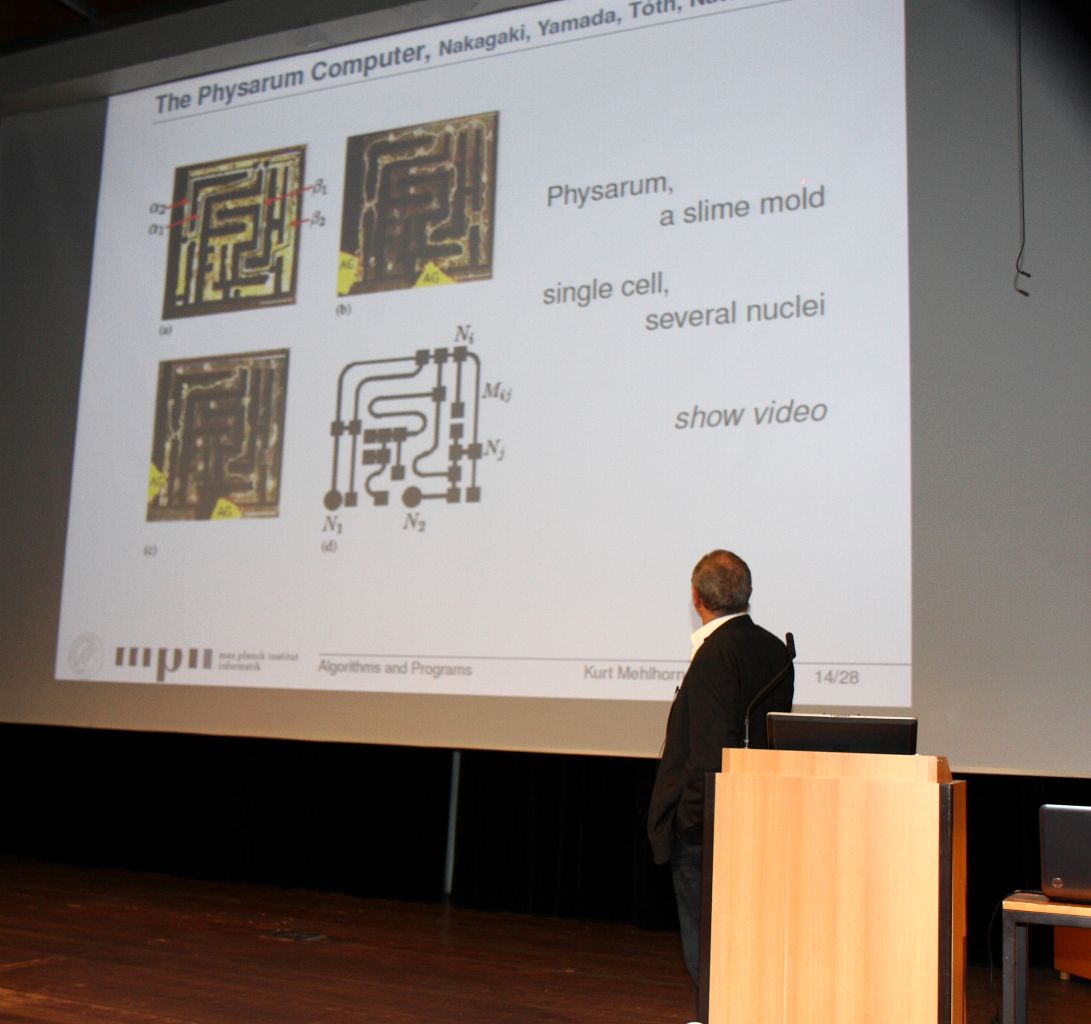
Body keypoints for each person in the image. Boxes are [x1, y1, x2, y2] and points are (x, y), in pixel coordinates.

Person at [647, 549, 794, 995]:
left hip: (710, 827)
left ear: (696, 597)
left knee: (707, 948)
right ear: (747, 593)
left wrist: (689, 823)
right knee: (741, 940)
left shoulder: (714, 654)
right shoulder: (774, 649)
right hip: (755, 816)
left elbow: (710, 753)